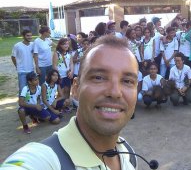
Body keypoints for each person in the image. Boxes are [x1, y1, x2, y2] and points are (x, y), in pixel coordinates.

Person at [1, 35, 142, 170]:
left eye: (127, 81)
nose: (115, 92)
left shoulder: (127, 154)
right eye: (99, 77)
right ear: (75, 88)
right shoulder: (45, 159)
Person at [11, 29, 35, 96]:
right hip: (22, 71)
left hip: (31, 70)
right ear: (23, 36)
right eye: (27, 35)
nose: (30, 37)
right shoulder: (17, 45)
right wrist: (17, 66)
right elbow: (13, 57)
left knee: (32, 88)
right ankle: (22, 105)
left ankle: (30, 103)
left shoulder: (33, 44)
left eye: (30, 35)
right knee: (22, 89)